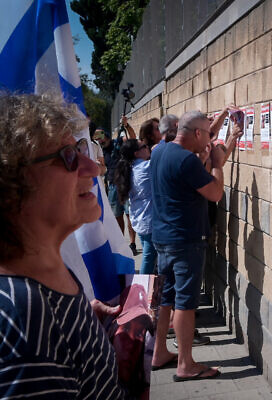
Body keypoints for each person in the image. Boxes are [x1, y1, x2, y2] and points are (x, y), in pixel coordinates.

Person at [0, 93, 127, 398]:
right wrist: (53, 334)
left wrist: (81, 329)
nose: (94, 168)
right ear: (11, 184)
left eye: (81, 149)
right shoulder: (25, 319)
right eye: (69, 156)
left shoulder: (45, 270)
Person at [150, 109, 243, 380]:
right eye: (206, 137)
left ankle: (158, 353)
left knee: (165, 300)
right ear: (197, 133)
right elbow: (214, 193)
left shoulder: (159, 151)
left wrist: (226, 139)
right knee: (185, 303)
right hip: (186, 240)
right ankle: (186, 364)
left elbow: (186, 179)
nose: (208, 143)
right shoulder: (186, 161)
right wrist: (216, 163)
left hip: (162, 239)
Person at [114, 139, 156, 275]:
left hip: (140, 218)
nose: (148, 147)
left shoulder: (131, 168)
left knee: (149, 255)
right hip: (148, 219)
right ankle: (143, 289)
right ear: (137, 153)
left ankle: (147, 288)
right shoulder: (145, 167)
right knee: (149, 257)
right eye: (145, 146)